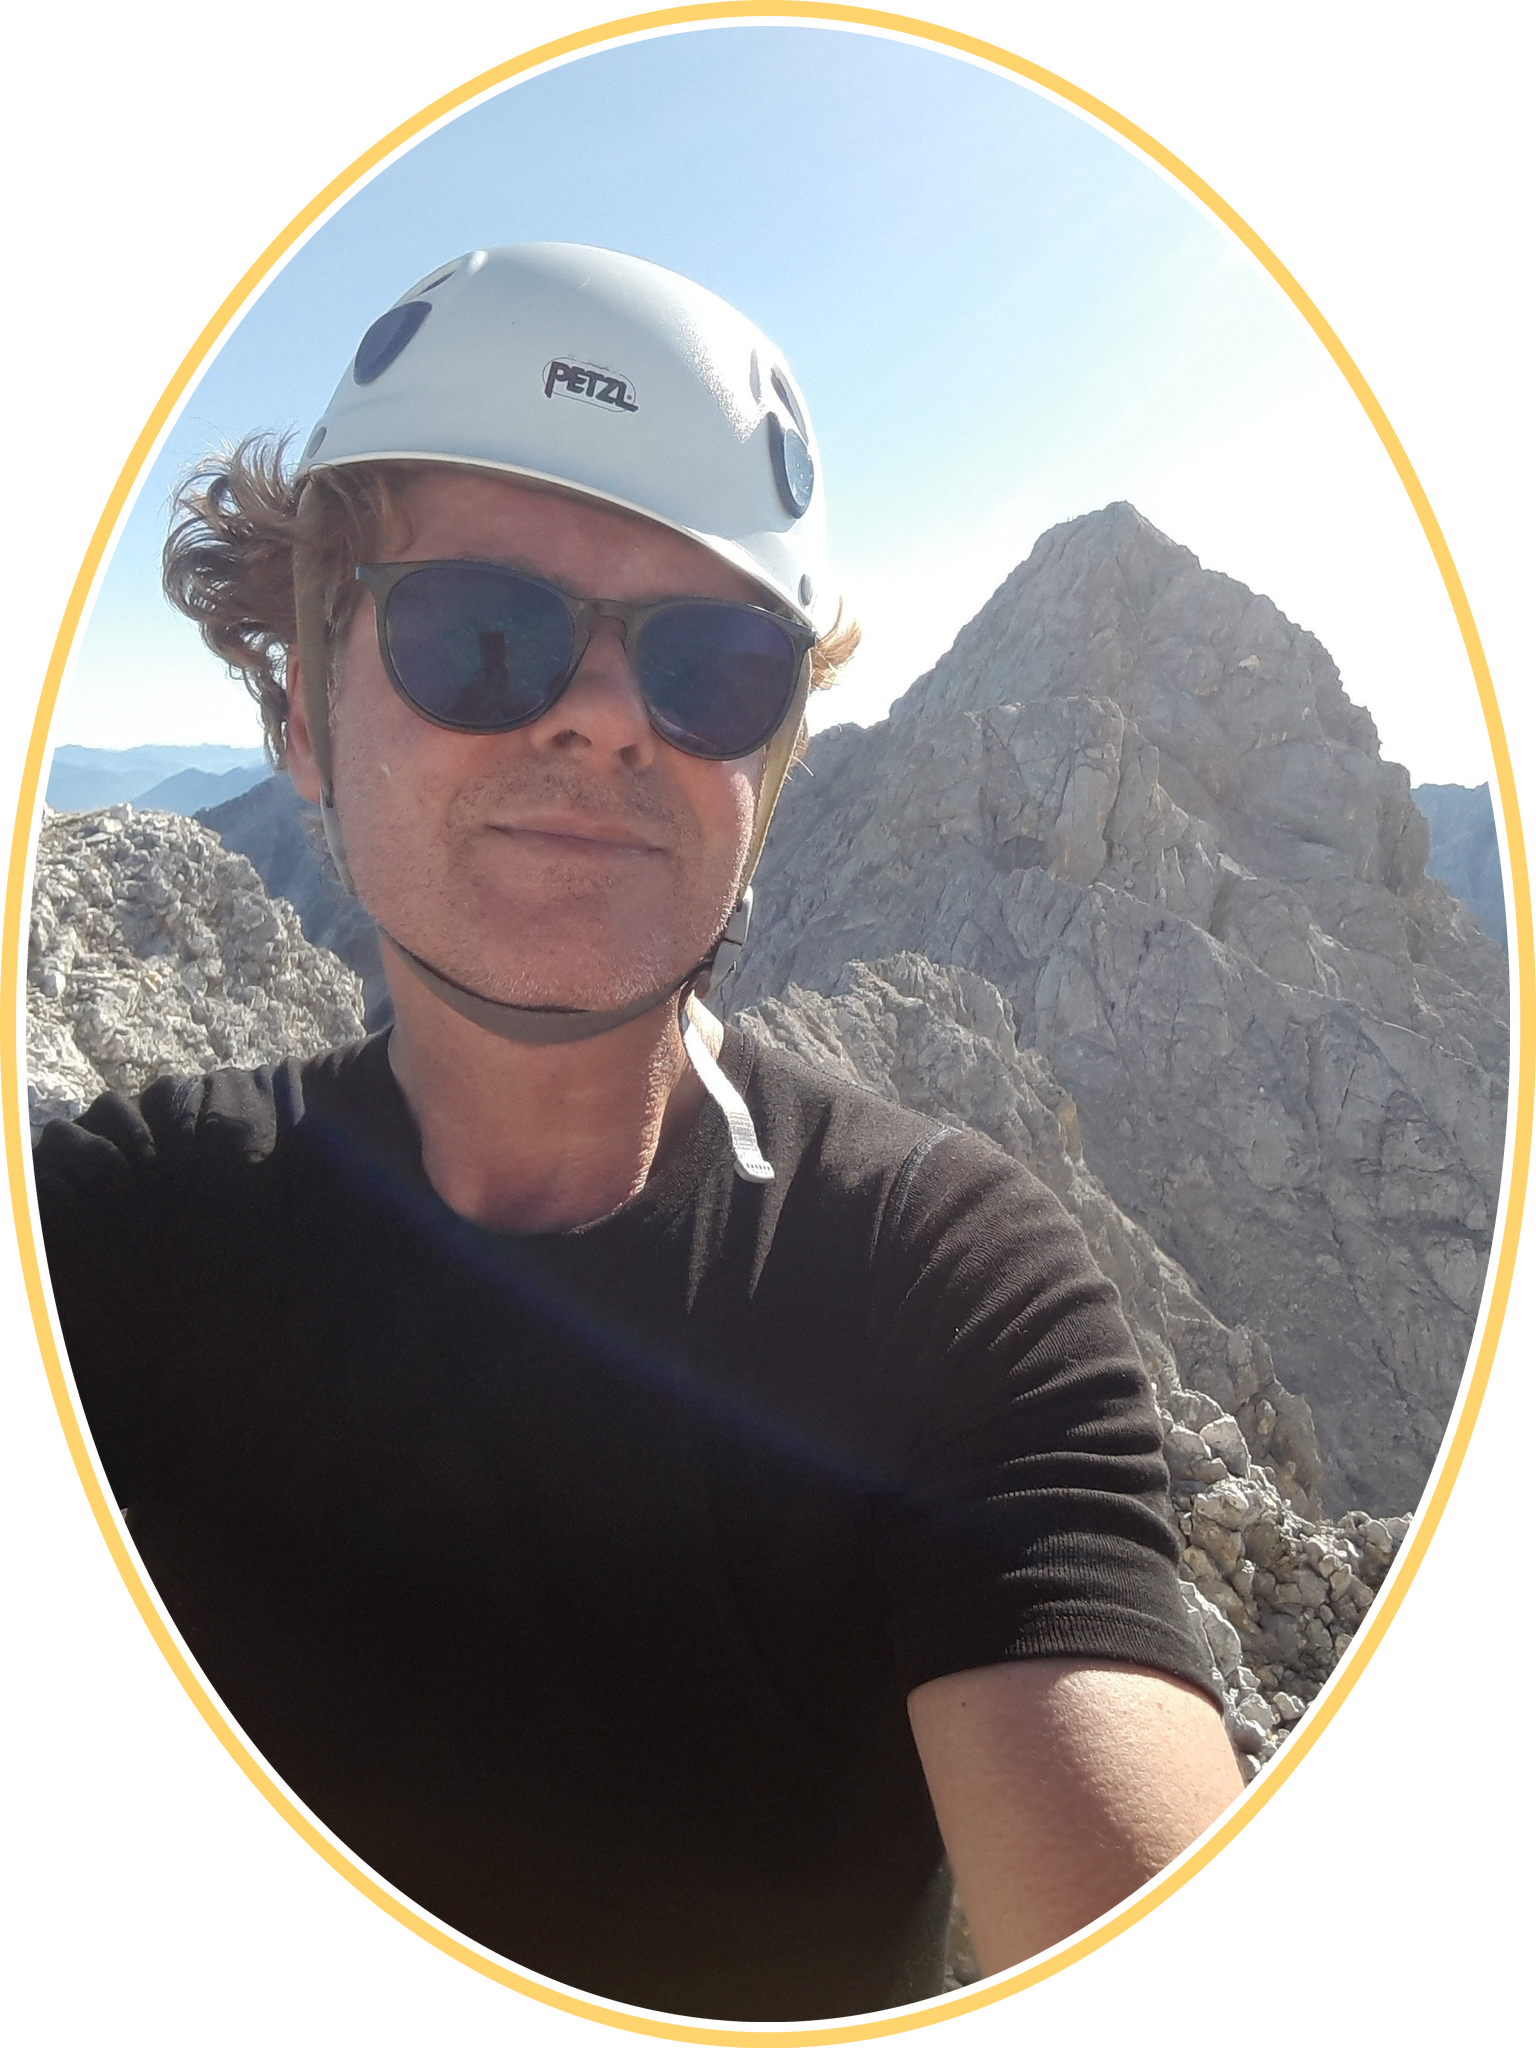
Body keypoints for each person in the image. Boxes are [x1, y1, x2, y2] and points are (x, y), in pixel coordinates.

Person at [34, 243, 1242, 2022]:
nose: (601, 715)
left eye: (713, 666)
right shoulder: (112, 1229)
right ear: (300, 710)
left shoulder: (937, 1289)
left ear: (772, 767)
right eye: (479, 633)